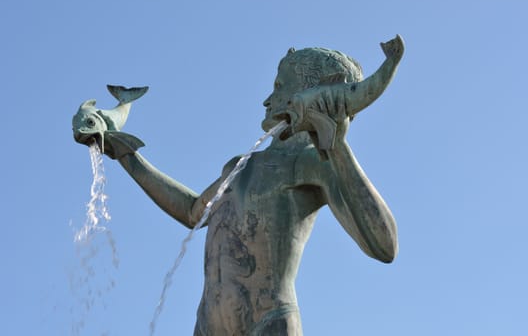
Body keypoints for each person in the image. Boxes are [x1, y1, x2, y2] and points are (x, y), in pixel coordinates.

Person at [107, 35, 404, 335]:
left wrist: (337, 147)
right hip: (207, 326)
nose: (267, 100)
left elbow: (385, 246)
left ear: (312, 92)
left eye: (278, 87)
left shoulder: (313, 163)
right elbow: (192, 211)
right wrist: (125, 153)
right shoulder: (241, 165)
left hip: (269, 321)